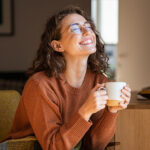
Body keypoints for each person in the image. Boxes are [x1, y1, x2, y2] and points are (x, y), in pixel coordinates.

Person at [2, 6, 131, 150]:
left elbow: (94, 145)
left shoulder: (99, 81)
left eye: (88, 26)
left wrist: (111, 111)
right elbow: (52, 147)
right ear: (58, 45)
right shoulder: (40, 85)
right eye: (75, 29)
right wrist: (85, 111)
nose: (87, 31)